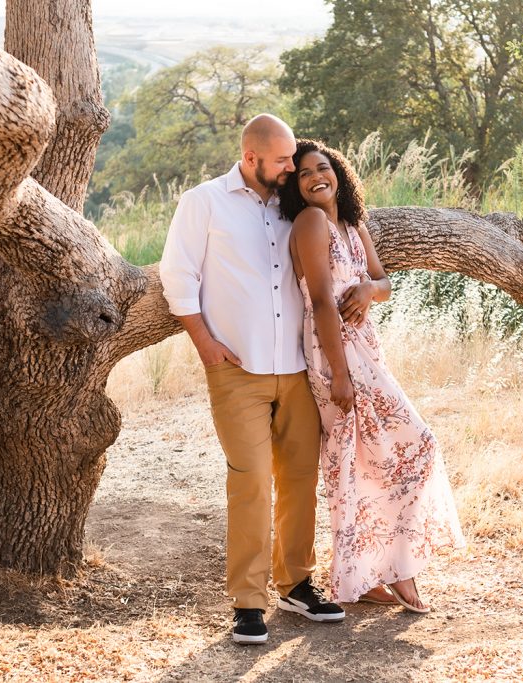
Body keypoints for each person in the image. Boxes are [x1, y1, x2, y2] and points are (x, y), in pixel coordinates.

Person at [160, 115, 345, 646]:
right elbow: (179, 275)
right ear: (251, 158)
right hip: (236, 370)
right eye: (283, 160)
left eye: (293, 160)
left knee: (300, 478)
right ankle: (248, 602)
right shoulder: (204, 202)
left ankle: (298, 584)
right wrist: (205, 344)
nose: (292, 167)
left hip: (296, 366)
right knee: (250, 480)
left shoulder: (296, 208)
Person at [279, 139, 466, 613]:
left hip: (366, 349)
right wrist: (338, 375)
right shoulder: (310, 222)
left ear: (338, 172)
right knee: (406, 445)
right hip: (333, 352)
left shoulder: (351, 223)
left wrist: (366, 289)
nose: (315, 177)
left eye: (323, 168)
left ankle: (370, 574)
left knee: (371, 459)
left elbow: (383, 283)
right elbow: (320, 301)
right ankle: (395, 572)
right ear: (296, 187)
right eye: (303, 173)